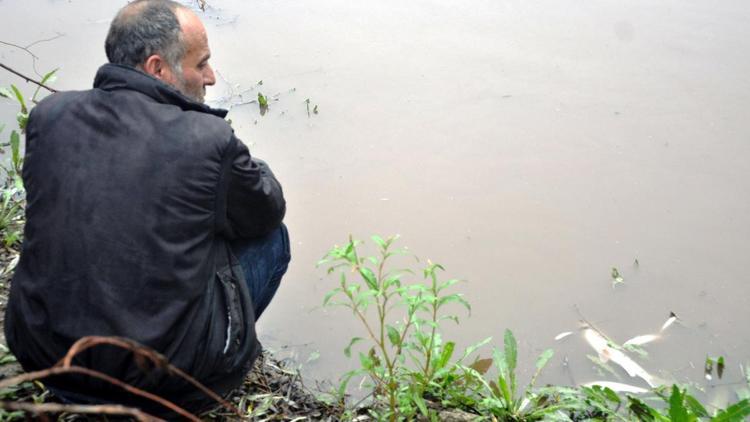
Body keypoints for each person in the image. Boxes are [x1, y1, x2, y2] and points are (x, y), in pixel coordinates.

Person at [3, 0, 289, 416]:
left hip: (48, 360)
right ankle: (205, 372)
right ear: (158, 68)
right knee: (270, 238)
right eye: (202, 64)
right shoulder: (207, 139)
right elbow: (265, 210)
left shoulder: (50, 115)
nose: (210, 78)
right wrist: (251, 167)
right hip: (167, 382)